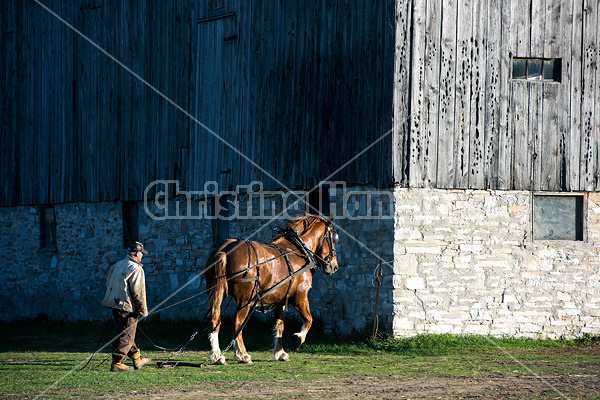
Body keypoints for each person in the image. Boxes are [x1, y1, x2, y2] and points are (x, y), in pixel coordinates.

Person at [101, 241, 151, 372]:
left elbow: (108, 284)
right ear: (136, 254)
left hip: (116, 305)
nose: (142, 256)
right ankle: (117, 362)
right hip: (127, 308)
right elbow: (138, 292)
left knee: (127, 333)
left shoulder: (117, 265)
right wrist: (143, 310)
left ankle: (136, 358)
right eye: (141, 253)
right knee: (125, 336)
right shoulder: (136, 268)